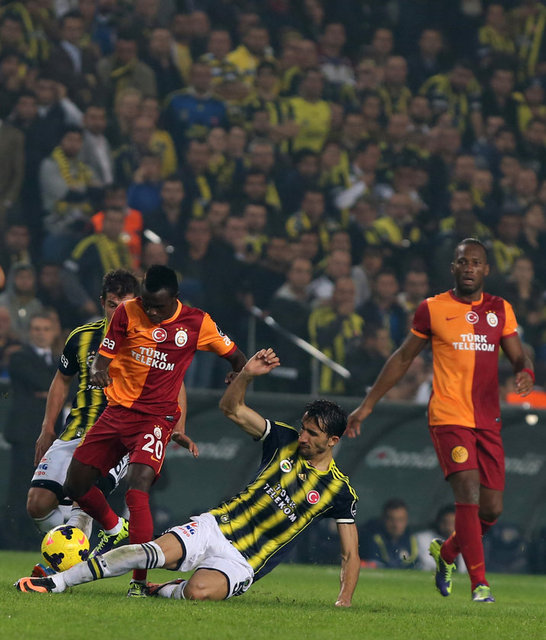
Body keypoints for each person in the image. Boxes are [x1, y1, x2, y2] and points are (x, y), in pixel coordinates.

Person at [16, 348, 360, 607]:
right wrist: (245, 375)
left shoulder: (339, 492)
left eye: (312, 434)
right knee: (147, 553)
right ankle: (58, 582)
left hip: (244, 561)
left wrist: (343, 600)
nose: (303, 437)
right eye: (303, 428)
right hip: (217, 526)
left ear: (333, 440)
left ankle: (164, 590)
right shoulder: (283, 438)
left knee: (197, 593)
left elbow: (350, 554)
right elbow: (231, 409)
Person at [347, 238, 534, 603]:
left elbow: (518, 355)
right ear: (453, 268)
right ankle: (479, 583)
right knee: (468, 492)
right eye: (463, 261)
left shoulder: (500, 309)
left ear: (486, 269)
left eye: (476, 262)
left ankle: (447, 553)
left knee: (491, 510)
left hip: (487, 418)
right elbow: (403, 358)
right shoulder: (432, 308)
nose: (469, 268)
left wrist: (524, 371)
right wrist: (368, 405)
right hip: (449, 416)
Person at [61, 265, 246, 596]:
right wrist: (99, 371)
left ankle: (138, 581)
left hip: (156, 418)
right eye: (147, 304)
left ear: (176, 298)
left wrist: (237, 375)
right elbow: (102, 357)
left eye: (158, 306)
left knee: (138, 484)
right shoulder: (127, 312)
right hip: (117, 412)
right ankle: (115, 527)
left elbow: (236, 357)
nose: (151, 312)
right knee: (74, 485)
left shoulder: (197, 323)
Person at [26, 270, 141, 573]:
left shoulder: (148, 341)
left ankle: (63, 570)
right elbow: (62, 380)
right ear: (102, 302)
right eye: (113, 305)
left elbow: (175, 385)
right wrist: (47, 428)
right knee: (37, 504)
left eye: (127, 306)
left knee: (83, 499)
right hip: (75, 431)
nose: (120, 313)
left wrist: (176, 426)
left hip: (116, 437)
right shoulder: (82, 336)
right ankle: (69, 555)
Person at [4, 313, 59, 547]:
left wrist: (50, 393)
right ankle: (12, 539)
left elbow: (73, 385)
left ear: (54, 332)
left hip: (53, 436)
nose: (41, 333)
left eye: (45, 329)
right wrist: (56, 390)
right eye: (36, 328)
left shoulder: (59, 360)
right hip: (26, 434)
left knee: (46, 489)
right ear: (29, 332)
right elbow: (51, 382)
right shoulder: (19, 357)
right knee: (20, 488)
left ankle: (34, 538)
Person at [360, 498, 418, 569]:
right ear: (383, 519)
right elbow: (373, 564)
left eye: (401, 520)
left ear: (407, 520)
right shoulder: (371, 537)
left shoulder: (411, 538)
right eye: (392, 520)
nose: (396, 525)